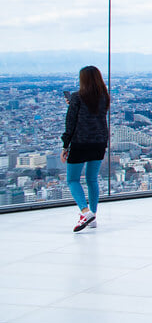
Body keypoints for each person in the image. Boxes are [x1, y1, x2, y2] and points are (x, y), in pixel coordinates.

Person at [61, 66, 110, 233]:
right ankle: (93, 216)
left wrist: (65, 145)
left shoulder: (77, 97)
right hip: (99, 141)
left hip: (80, 142)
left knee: (73, 179)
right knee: (92, 179)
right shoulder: (104, 96)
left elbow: (71, 123)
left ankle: (85, 212)